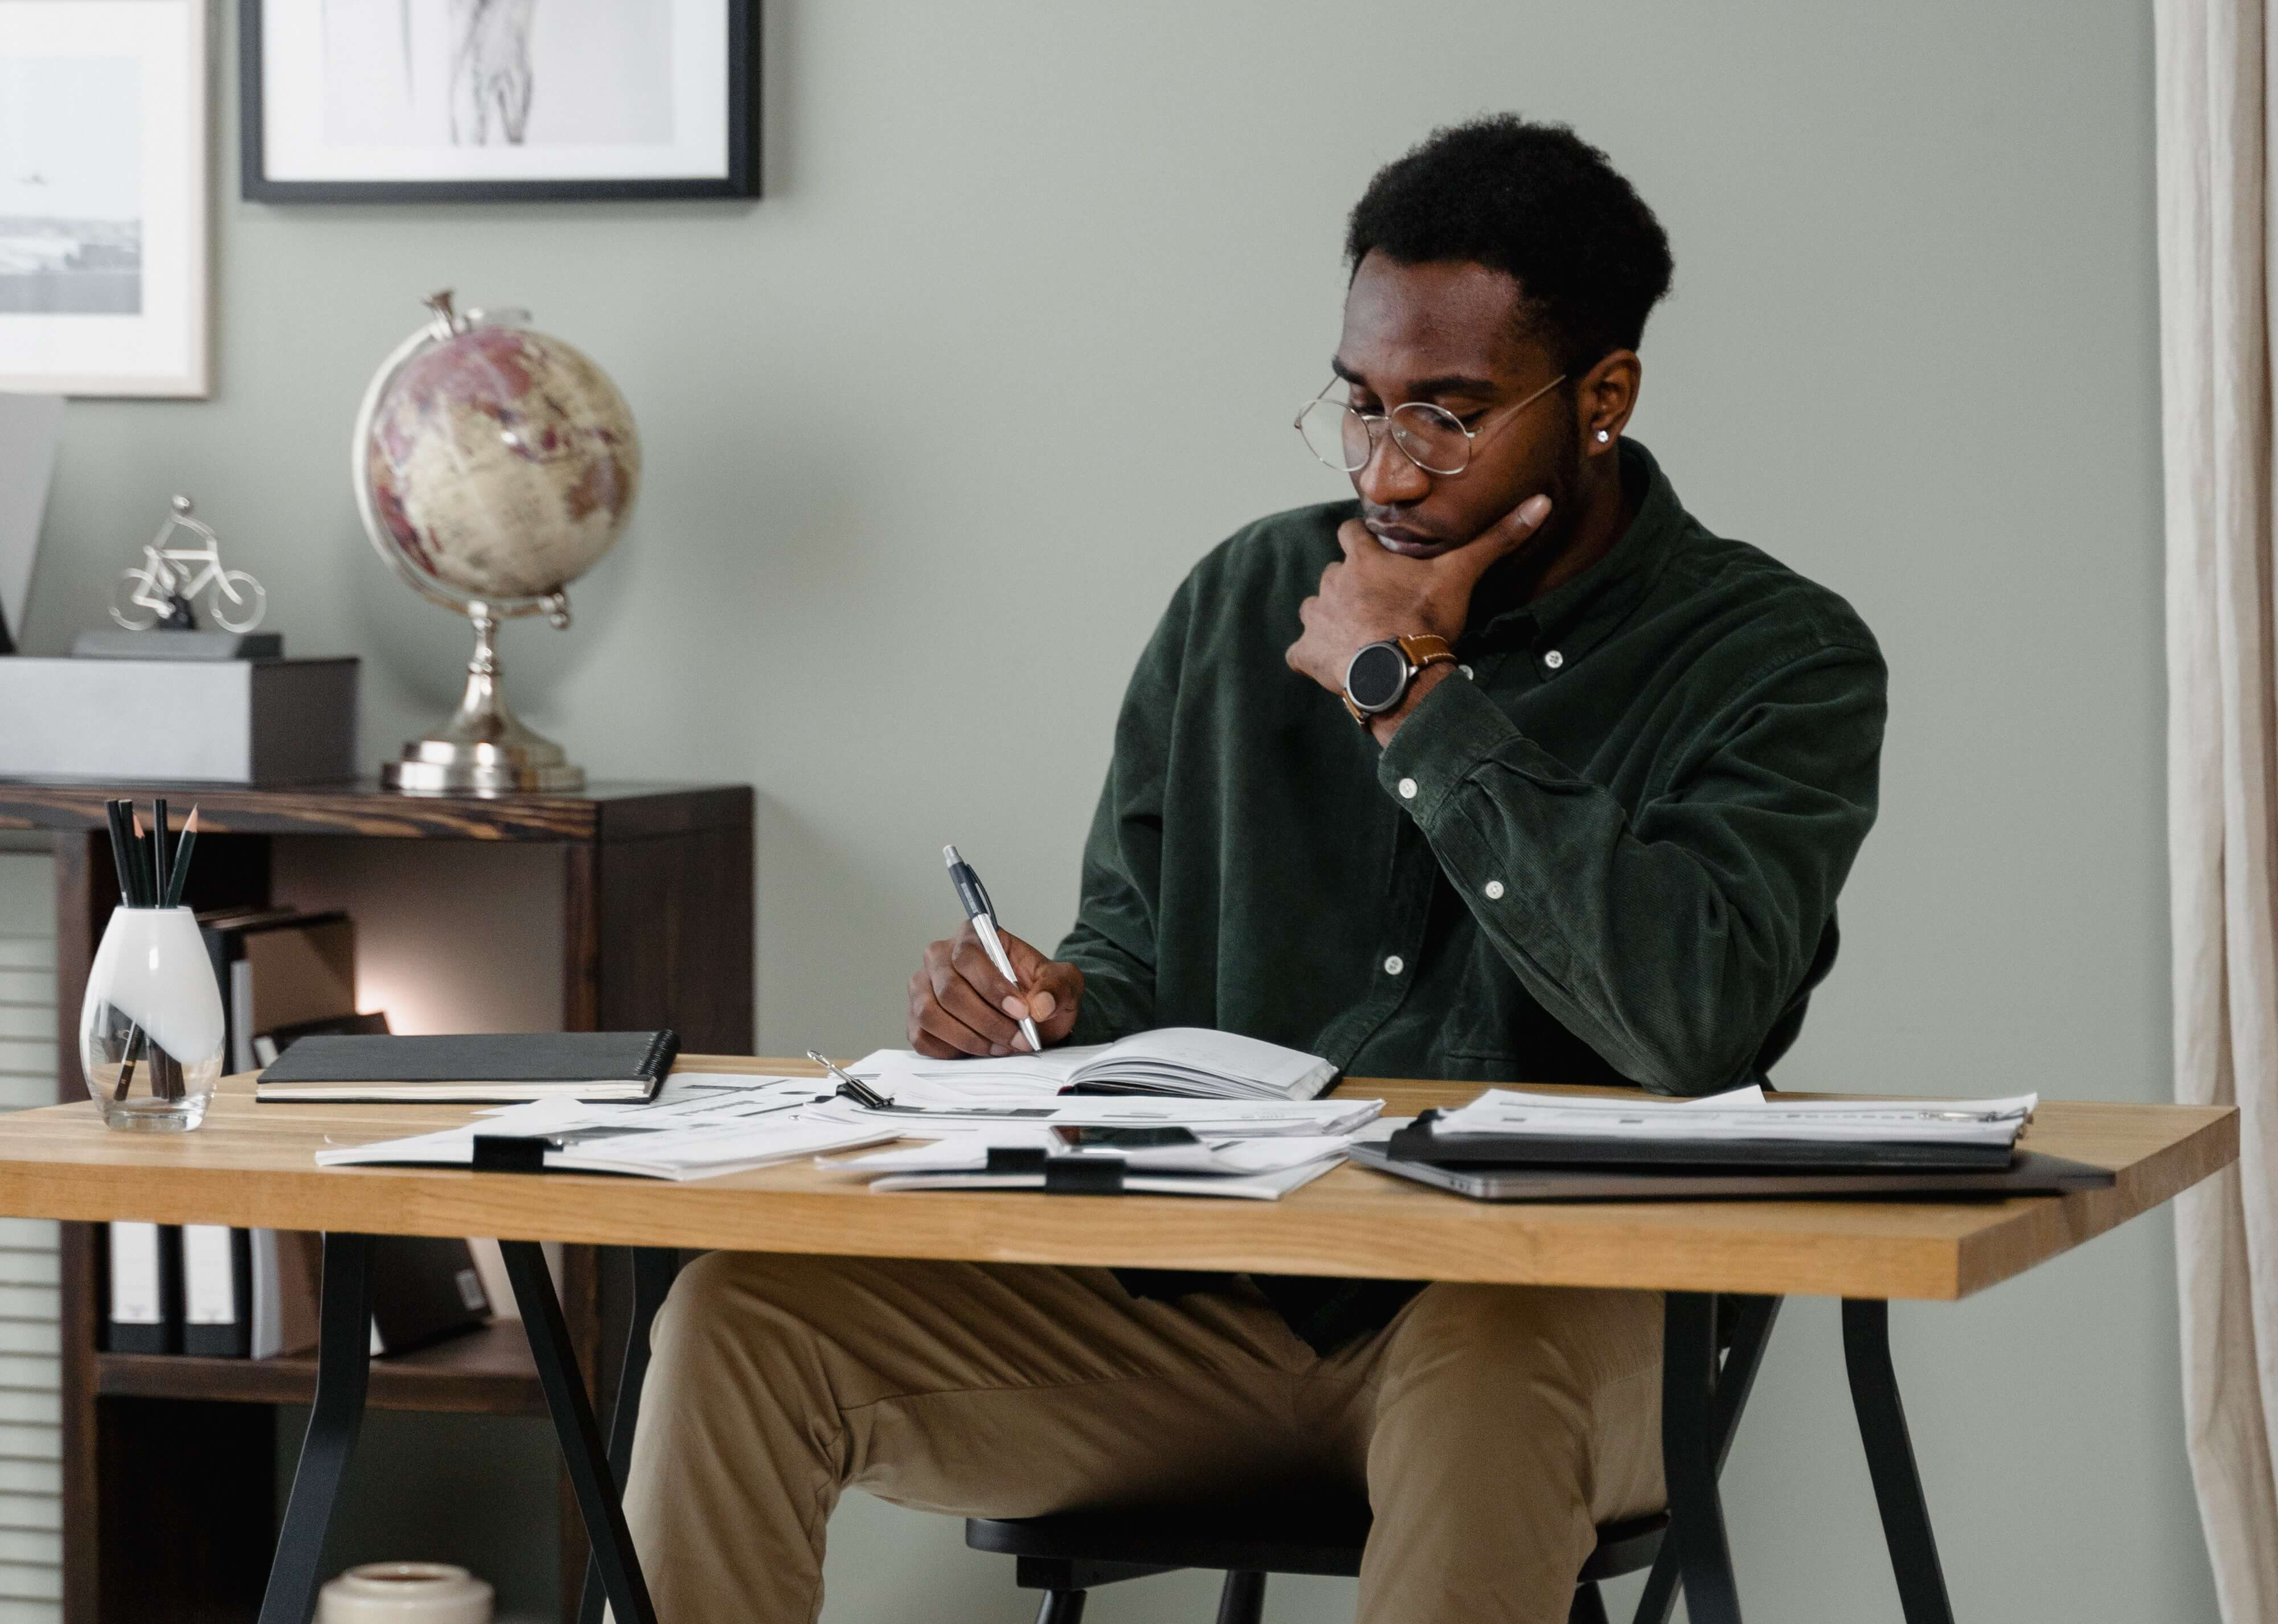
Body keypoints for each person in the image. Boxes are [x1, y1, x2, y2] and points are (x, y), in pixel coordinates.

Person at [623, 115, 1887, 1624]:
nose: (1386, 461)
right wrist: (1037, 1014)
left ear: (1601, 396)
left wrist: (1410, 703)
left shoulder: (1777, 656)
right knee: (737, 1316)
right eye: (1359, 403)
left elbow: (1695, 1020)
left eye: (1448, 412)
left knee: (1488, 1372)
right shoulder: (1241, 602)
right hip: (1202, 1313)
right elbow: (1140, 978)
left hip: (1552, 1324)